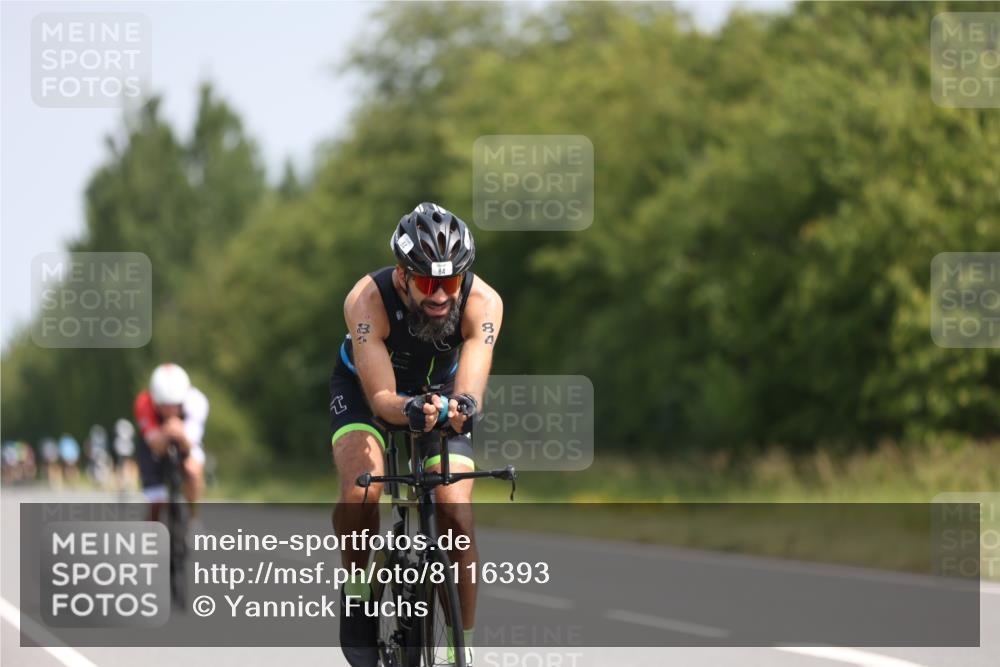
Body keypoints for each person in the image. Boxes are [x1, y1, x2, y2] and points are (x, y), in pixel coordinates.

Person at [330, 202, 502, 666]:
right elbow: (384, 397)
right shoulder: (365, 301)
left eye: (451, 282)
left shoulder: (484, 302)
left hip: (441, 391)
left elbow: (470, 391)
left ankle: (456, 650)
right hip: (371, 390)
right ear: (403, 276)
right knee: (361, 494)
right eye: (428, 282)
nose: (442, 295)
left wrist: (460, 407)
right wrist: (408, 409)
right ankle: (358, 589)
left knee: (457, 515)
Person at [133, 363, 209, 520]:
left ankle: (194, 518)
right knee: (156, 500)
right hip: (153, 444)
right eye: (164, 406)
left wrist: (180, 434)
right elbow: (156, 446)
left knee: (193, 471)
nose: (170, 411)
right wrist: (166, 432)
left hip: (185, 441)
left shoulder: (197, 402)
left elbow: (191, 442)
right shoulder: (143, 403)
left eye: (175, 405)